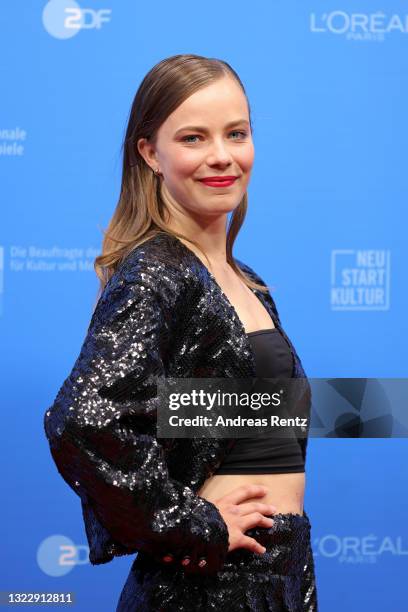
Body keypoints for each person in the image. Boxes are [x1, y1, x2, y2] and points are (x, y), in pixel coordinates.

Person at [43, 54, 318, 611]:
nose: (222, 156)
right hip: (212, 587)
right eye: (193, 138)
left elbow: (252, 414)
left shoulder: (246, 281)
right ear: (150, 153)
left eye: (236, 133)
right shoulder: (158, 271)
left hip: (278, 570)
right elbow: (84, 420)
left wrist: (386, 409)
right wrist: (190, 524)